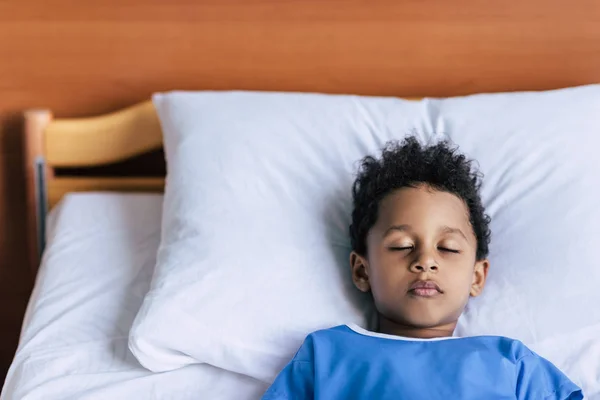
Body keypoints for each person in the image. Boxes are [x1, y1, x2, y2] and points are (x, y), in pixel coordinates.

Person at [262, 137, 583, 399]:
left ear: (476, 276)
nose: (425, 261)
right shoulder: (326, 355)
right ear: (362, 270)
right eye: (402, 246)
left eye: (448, 248)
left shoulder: (511, 363)